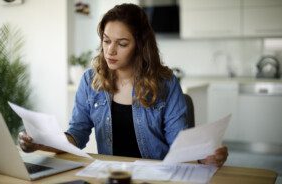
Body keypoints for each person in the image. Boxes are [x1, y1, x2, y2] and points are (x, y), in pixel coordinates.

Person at [18, 3, 228, 167]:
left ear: (140, 46)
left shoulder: (166, 83)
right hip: (110, 175)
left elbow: (179, 144)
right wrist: (45, 143)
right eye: (107, 40)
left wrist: (204, 156)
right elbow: (78, 133)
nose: (110, 51)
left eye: (122, 44)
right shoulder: (90, 81)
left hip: (156, 176)